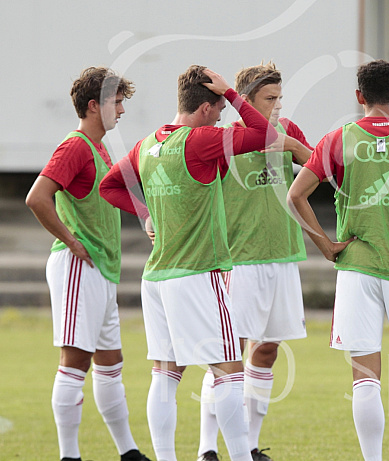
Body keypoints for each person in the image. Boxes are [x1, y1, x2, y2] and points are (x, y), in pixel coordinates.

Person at [99, 65, 277, 461]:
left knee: (165, 374)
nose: (220, 116)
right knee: (229, 372)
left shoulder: (147, 145)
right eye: (217, 110)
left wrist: (144, 214)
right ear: (205, 109)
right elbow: (265, 134)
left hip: (157, 276)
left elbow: (110, 185)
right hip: (199, 273)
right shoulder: (200, 140)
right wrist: (232, 93)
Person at [287, 59, 389, 461]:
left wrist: (323, 243)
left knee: (364, 378)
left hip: (356, 265)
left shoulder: (337, 139)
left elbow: (295, 195)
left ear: (359, 97)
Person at [25, 67, 151, 461]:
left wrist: (145, 213)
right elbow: (37, 198)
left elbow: (108, 195)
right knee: (75, 363)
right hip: (80, 267)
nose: (122, 111)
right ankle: (69, 455)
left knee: (111, 363)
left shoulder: (97, 147)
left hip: (100, 269)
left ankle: (128, 451)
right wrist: (70, 240)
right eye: (117, 102)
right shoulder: (76, 146)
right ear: (94, 106)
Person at [198, 62, 312, 461]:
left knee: (266, 352)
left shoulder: (289, 132)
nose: (278, 106)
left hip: (282, 256)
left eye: (280, 98)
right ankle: (207, 449)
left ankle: (249, 445)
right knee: (228, 355)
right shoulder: (223, 138)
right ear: (245, 100)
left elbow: (324, 170)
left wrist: (296, 149)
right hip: (238, 260)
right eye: (270, 99)